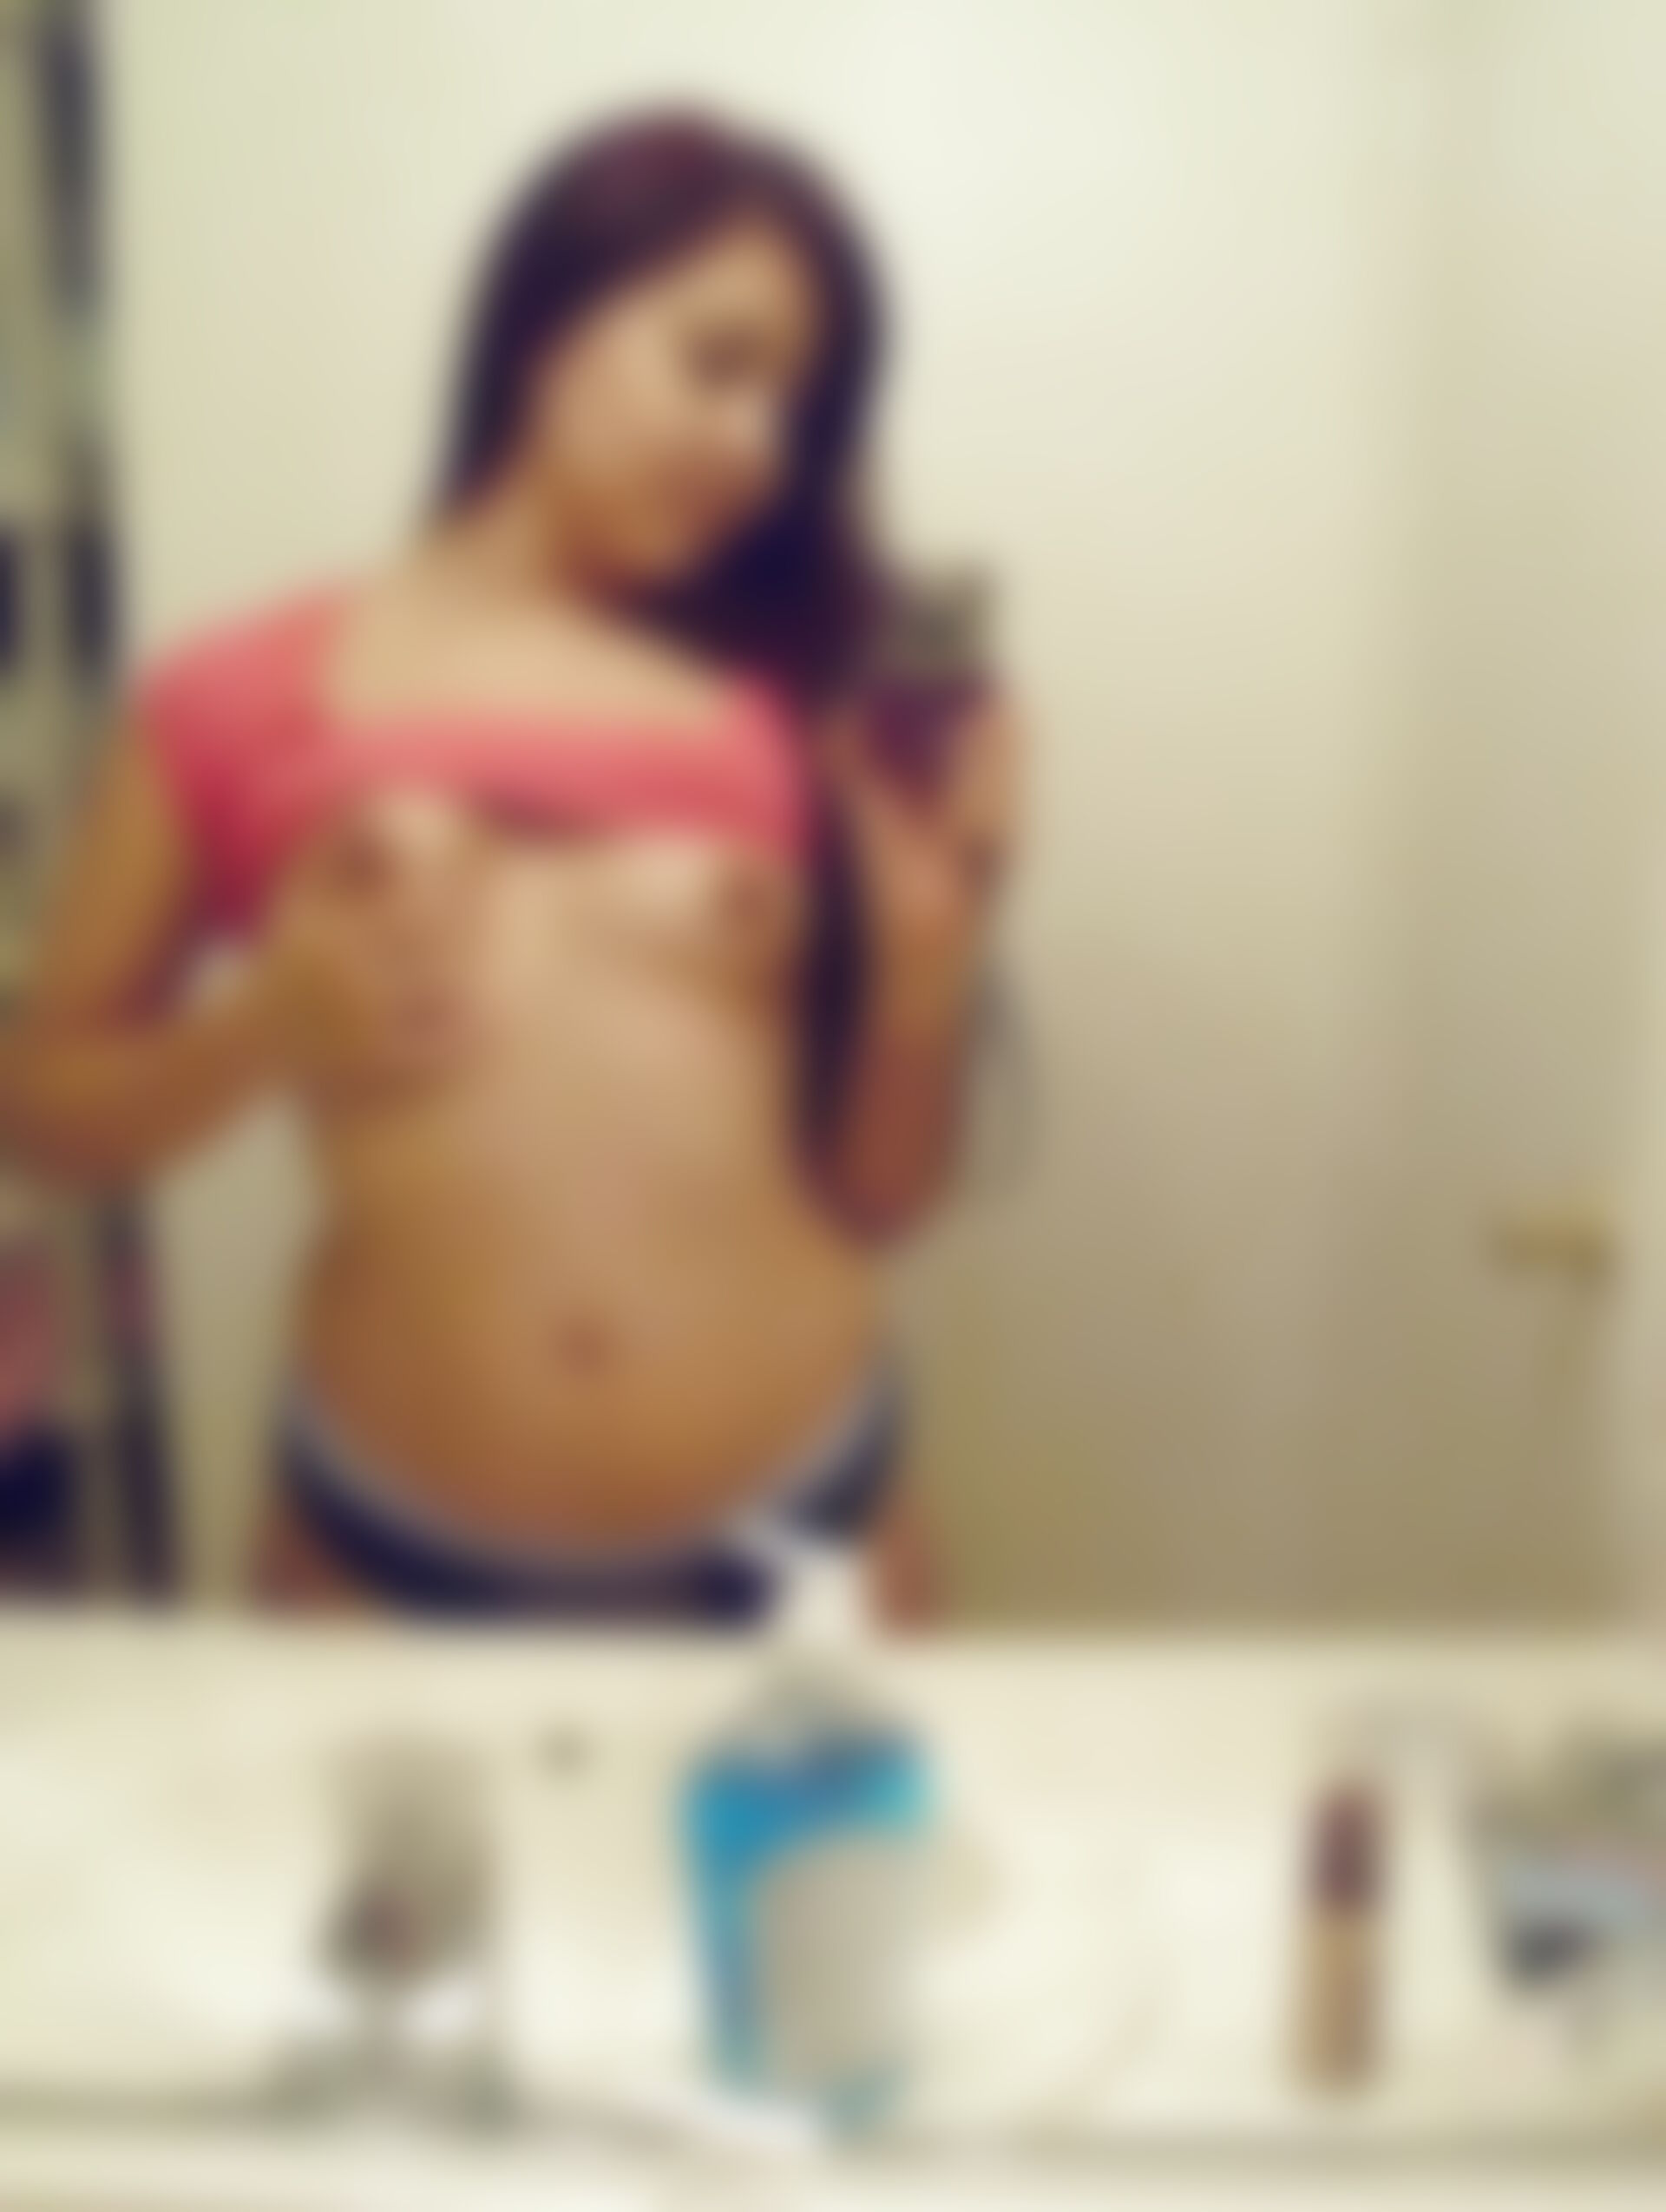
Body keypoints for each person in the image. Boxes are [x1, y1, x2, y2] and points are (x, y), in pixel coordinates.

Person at [0, 112, 1019, 1621]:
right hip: (385, 1548)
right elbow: (40, 1112)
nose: (758, 450)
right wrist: (261, 1030)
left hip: (807, 1534)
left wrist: (927, 964)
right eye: (718, 365)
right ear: (548, 321)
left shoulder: (794, 709)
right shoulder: (234, 695)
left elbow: (879, 1197)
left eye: (796, 415)